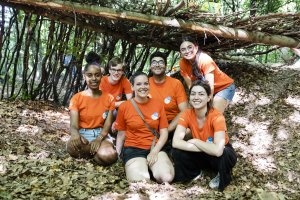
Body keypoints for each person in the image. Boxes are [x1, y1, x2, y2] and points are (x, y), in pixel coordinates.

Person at [172, 80, 237, 191]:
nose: (196, 97)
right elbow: (176, 142)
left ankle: (222, 176)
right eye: (193, 94)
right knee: (177, 151)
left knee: (225, 154)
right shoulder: (187, 114)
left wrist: (196, 141)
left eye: (201, 94)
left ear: (208, 98)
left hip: (219, 155)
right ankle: (193, 173)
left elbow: (217, 151)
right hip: (205, 150)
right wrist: (204, 148)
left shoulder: (217, 116)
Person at [115, 71, 174, 183]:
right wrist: (117, 155)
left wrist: (155, 151)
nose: (143, 87)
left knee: (167, 178)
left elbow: (164, 133)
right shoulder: (124, 107)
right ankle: (143, 169)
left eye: (146, 84)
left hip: (155, 147)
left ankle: (153, 168)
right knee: (141, 182)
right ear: (132, 87)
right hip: (134, 149)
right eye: (138, 84)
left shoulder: (158, 104)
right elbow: (121, 133)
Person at [66, 61, 117, 166]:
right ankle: (96, 154)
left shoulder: (109, 98)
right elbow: (74, 125)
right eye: (90, 75)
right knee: (72, 147)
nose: (94, 78)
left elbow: (107, 125)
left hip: (101, 135)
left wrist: (98, 140)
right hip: (83, 134)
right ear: (84, 76)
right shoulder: (77, 98)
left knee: (110, 156)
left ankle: (95, 154)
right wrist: (76, 135)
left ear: (101, 77)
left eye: (97, 75)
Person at [179, 36, 235, 113]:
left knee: (213, 114)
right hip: (206, 89)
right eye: (183, 49)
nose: (187, 51)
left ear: (196, 47)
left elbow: (210, 86)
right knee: (192, 111)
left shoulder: (205, 59)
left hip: (224, 87)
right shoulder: (182, 63)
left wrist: (207, 104)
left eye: (189, 47)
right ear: (180, 52)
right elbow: (190, 86)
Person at [148, 51, 188, 145]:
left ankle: (173, 145)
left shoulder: (176, 83)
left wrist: (167, 129)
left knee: (188, 132)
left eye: (161, 62)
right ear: (150, 67)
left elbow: (184, 110)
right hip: (152, 124)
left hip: (172, 124)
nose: (157, 65)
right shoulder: (145, 83)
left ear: (165, 66)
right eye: (154, 62)